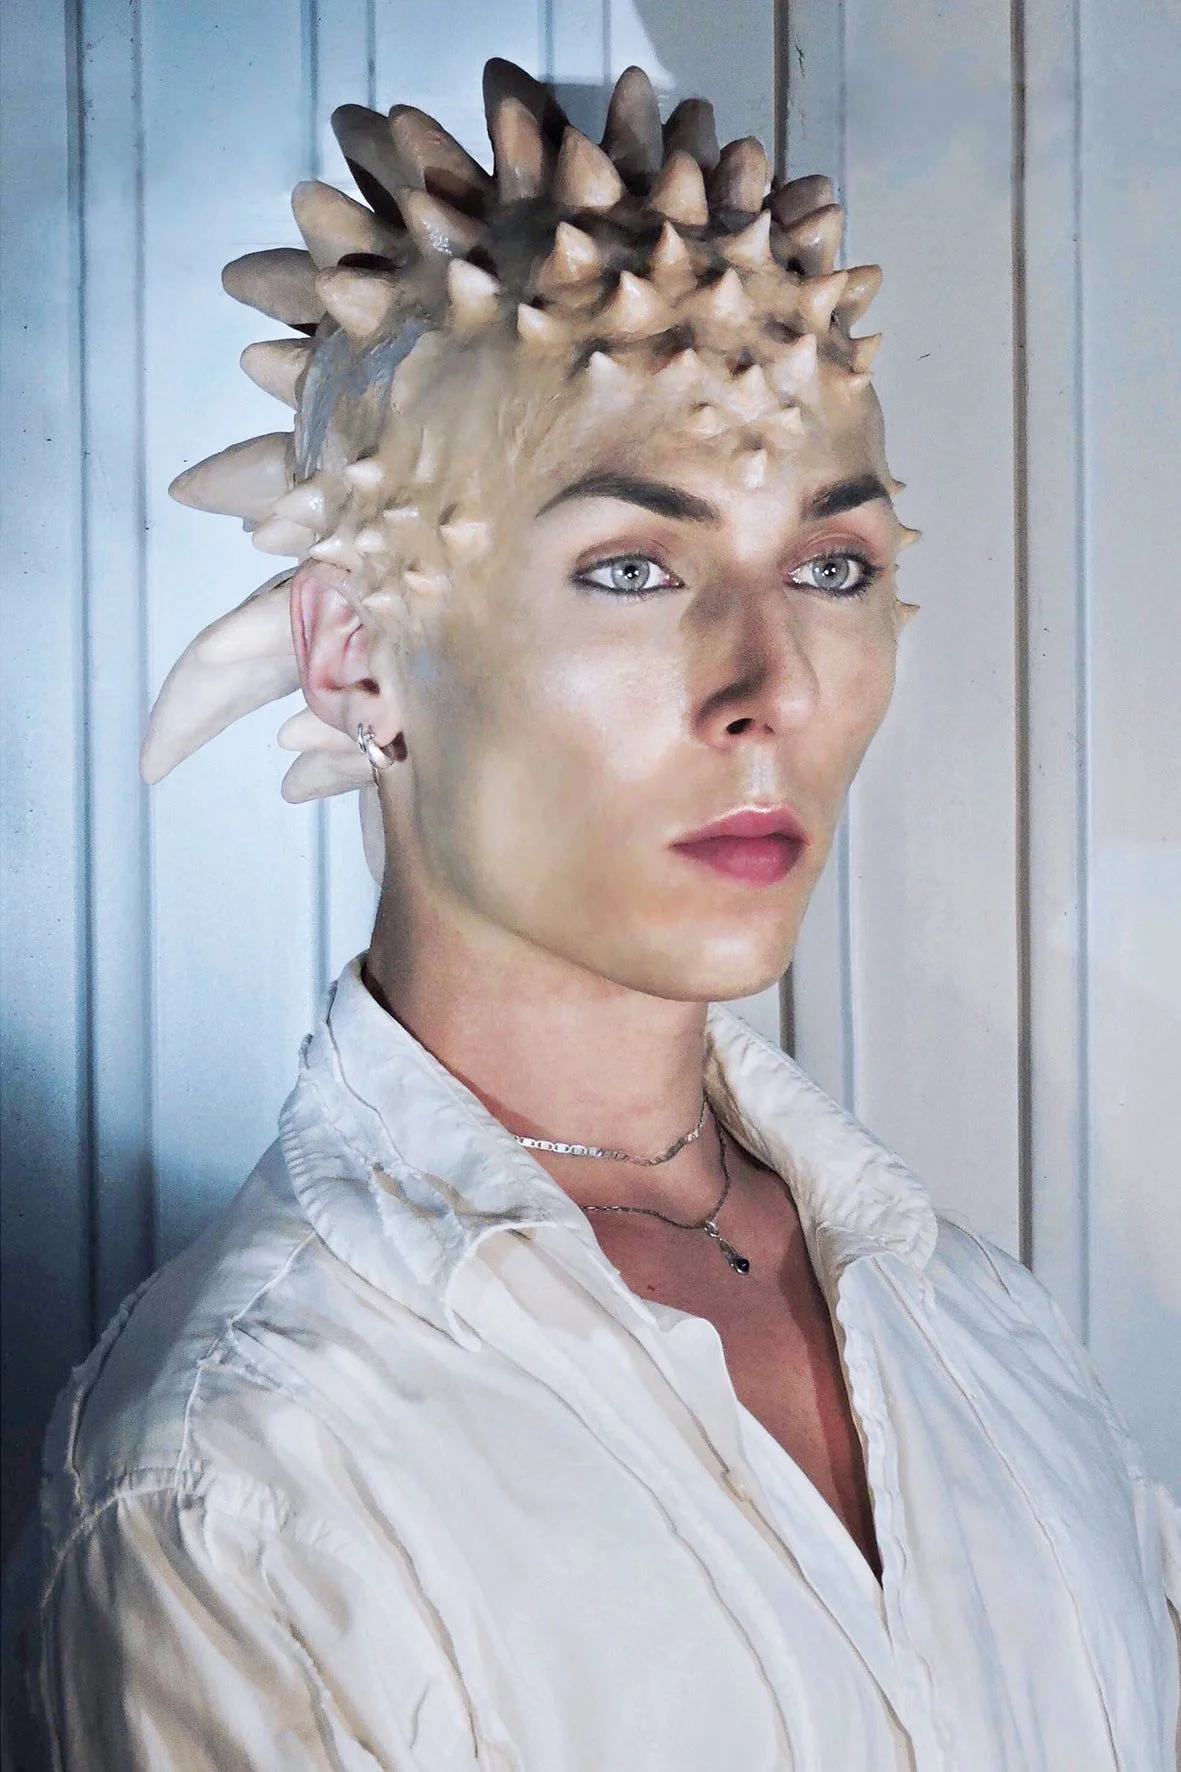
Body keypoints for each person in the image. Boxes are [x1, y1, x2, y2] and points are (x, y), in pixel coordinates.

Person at [36, 58, 1180, 1771]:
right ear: (357, 654)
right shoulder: (244, 1484)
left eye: (834, 564)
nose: (772, 684)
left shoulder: (986, 1332)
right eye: (634, 570)